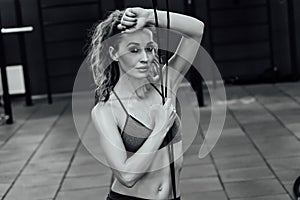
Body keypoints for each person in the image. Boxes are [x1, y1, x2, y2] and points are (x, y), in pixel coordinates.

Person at [89, 7, 204, 200]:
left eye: (149, 48)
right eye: (134, 50)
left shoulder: (165, 85)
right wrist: (160, 127)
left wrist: (149, 15)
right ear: (114, 53)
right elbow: (126, 176)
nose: (145, 58)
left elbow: (196, 30)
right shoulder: (106, 110)